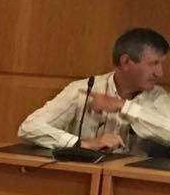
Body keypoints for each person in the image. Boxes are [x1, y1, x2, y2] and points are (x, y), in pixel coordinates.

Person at [18, 27, 170, 152]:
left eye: (161, 64)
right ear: (125, 62)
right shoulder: (85, 89)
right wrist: (82, 143)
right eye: (153, 64)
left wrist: (123, 106)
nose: (160, 73)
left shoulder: (158, 97)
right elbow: (29, 128)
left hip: (134, 183)